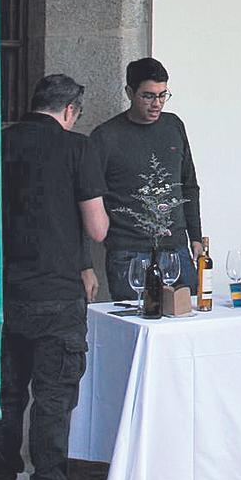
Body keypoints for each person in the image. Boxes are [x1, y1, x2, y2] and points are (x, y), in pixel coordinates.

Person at [0, 75, 109, 480]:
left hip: (6, 294)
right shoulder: (77, 149)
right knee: (53, 400)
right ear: (70, 111)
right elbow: (98, 228)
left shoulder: (2, 143)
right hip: (56, 295)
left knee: (7, 396)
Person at [91, 58, 202, 300]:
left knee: (186, 321)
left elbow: (189, 185)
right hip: (128, 251)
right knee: (135, 323)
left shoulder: (174, 126)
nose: (157, 104)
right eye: (148, 96)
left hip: (176, 247)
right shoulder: (105, 137)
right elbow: (88, 196)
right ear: (130, 92)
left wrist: (195, 235)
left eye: (163, 95)